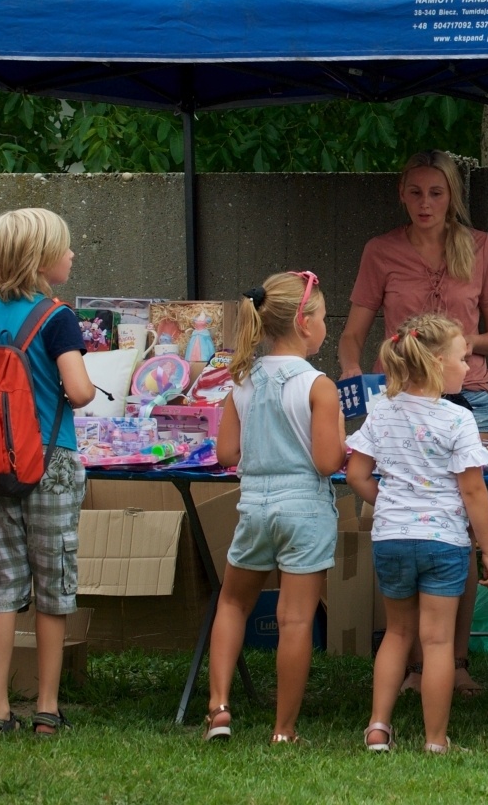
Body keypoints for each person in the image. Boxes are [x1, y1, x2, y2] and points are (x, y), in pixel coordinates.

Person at [339, 149, 488, 695]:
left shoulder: (481, 247)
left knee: (460, 530)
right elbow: (351, 336)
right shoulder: (380, 251)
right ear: (401, 194)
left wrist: (454, 348)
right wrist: (355, 383)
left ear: (452, 195)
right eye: (414, 192)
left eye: (436, 193)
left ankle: (454, 662)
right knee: (411, 527)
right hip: (400, 400)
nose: (425, 203)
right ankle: (415, 665)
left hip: (468, 397)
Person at [0, 208, 95, 738]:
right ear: (40, 258)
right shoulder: (57, 318)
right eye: (65, 247)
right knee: (52, 585)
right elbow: (79, 391)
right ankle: (47, 708)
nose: (72, 254)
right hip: (51, 464)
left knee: (3, 584)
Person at [346, 313, 488, 754]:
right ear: (435, 363)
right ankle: (435, 740)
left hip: (390, 539)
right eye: (462, 358)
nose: (467, 366)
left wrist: (392, 504)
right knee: (437, 642)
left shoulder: (381, 411)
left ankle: (378, 728)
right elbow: (473, 490)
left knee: (397, 634)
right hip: (444, 543)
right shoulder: (458, 419)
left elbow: (356, 475)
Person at [202, 271, 345, 744]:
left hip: (255, 507)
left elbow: (227, 454)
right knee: (295, 619)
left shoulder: (241, 379)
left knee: (232, 602)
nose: (326, 327)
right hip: (304, 509)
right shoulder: (318, 385)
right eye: (323, 318)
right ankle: (283, 729)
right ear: (305, 324)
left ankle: (219, 707)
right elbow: (327, 461)